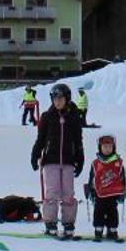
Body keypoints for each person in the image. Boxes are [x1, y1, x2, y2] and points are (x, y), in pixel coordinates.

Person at [29, 83, 84, 239]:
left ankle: (68, 223)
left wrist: (80, 157)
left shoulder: (74, 117)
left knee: (68, 193)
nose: (58, 101)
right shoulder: (47, 117)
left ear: (67, 99)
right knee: (52, 192)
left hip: (68, 160)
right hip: (50, 160)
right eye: (55, 98)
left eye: (60, 98)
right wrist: (35, 154)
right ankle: (50, 222)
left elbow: (78, 140)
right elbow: (40, 139)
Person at [85, 134, 126, 241]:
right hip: (100, 193)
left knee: (112, 211)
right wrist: (91, 190)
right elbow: (92, 177)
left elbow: (122, 177)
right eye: (104, 147)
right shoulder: (96, 163)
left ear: (113, 148)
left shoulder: (118, 162)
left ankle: (112, 230)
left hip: (113, 193)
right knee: (99, 210)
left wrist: (123, 191)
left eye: (109, 147)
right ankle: (98, 230)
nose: (107, 149)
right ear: (100, 148)